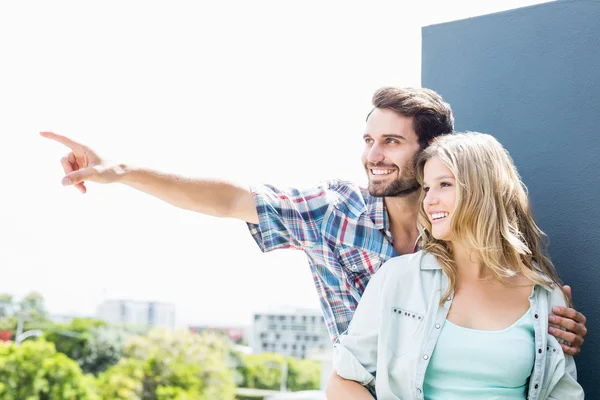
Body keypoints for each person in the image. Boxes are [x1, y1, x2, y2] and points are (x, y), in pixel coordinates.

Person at [40, 87, 587, 353]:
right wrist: (121, 171)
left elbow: (533, 311)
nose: (373, 155)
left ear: (431, 149)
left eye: (392, 142)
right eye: (369, 140)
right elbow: (231, 199)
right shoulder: (334, 212)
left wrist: (552, 324)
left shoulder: (469, 222)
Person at [327, 132, 584, 399]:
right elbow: (343, 381)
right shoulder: (398, 278)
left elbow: (563, 394)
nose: (429, 200)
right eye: (427, 188)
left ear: (484, 189)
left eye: (445, 184)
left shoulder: (544, 294)